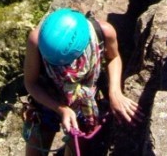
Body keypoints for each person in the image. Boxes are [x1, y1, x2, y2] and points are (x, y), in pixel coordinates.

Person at [23, 8, 139, 154]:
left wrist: (115, 92)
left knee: (75, 147)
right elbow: (31, 83)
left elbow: (113, 57)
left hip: (83, 100)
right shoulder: (36, 40)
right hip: (48, 95)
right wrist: (61, 109)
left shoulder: (104, 32)